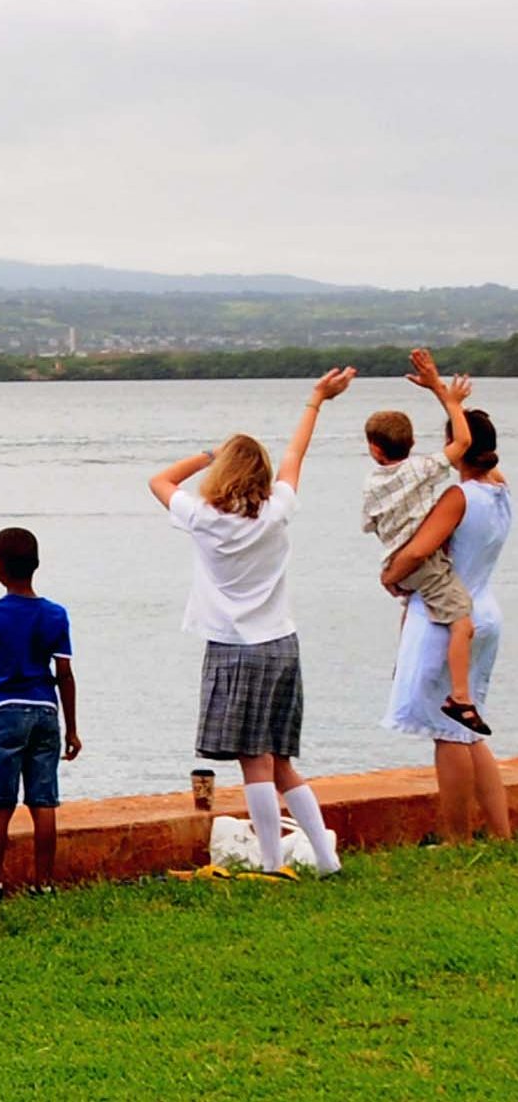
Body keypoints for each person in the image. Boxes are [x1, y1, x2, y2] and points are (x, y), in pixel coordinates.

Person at [153, 368, 355, 878]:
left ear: (223, 473)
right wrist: (316, 400)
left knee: (254, 759)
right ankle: (325, 858)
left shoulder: (204, 517)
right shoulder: (276, 512)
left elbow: (159, 481)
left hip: (234, 646)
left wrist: (209, 454)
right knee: (279, 758)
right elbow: (295, 456)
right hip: (281, 643)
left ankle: (272, 862)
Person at [381, 352, 510, 840]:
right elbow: (470, 445)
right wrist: (445, 395)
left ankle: (456, 837)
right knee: (467, 727)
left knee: (446, 732)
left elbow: (418, 550)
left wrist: (390, 574)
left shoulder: (459, 498)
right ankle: (500, 832)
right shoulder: (501, 490)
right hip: (485, 613)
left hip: (445, 616)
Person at [361, 394, 488, 736]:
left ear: (375, 449)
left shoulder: (372, 484)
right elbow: (463, 442)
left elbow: (370, 524)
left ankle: (403, 666)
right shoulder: (421, 468)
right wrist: (452, 402)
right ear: (412, 442)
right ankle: (460, 697)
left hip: (396, 559)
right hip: (424, 562)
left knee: (412, 607)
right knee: (463, 622)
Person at [0, 526, 82, 887]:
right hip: (46, 709)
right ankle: (44, 882)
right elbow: (64, 673)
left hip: (3, 709)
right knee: (43, 801)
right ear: (36, 564)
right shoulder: (55, 614)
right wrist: (72, 728)